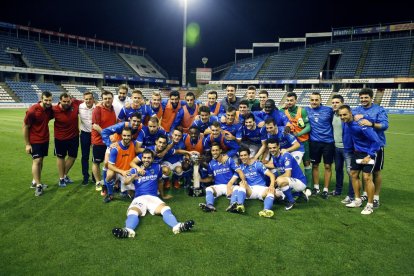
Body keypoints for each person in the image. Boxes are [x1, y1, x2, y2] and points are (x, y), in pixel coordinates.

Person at [112, 149, 195, 238]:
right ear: (142, 158)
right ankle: (128, 230)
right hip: (139, 197)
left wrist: (162, 195)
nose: (146, 160)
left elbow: (159, 181)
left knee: (165, 209)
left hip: (153, 197)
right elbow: (125, 182)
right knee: (133, 212)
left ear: (152, 159)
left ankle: (177, 226)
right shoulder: (134, 170)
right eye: (144, 158)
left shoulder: (157, 167)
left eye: (149, 158)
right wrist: (133, 176)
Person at [339, 105, 380, 215]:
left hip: (368, 153)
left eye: (345, 114)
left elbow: (376, 141)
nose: (343, 117)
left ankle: (370, 205)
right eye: (341, 115)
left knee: (367, 177)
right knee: (353, 174)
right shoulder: (346, 123)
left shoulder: (361, 124)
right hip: (356, 153)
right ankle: (357, 200)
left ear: (351, 113)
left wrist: (369, 155)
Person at [353, 88, 388, 208]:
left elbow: (385, 125)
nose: (363, 99)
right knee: (364, 173)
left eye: (366, 97)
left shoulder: (379, 109)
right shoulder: (356, 110)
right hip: (361, 147)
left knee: (376, 172)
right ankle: (365, 193)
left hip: (376, 146)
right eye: (361, 97)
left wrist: (371, 123)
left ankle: (376, 197)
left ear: (371, 98)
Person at [199, 143, 246, 212]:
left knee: (237, 188)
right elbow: (210, 178)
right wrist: (200, 180)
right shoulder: (211, 164)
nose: (215, 152)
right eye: (213, 150)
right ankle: (209, 205)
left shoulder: (229, 160)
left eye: (216, 150)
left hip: (231, 185)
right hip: (219, 186)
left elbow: (239, 171)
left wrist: (243, 181)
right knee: (208, 189)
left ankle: (233, 205)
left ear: (220, 150)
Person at [23, 91, 54, 196]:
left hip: (44, 140)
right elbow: (25, 127)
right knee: (37, 160)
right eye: (46, 100)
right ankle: (39, 185)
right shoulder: (33, 110)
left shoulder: (49, 110)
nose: (48, 102)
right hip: (35, 140)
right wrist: (27, 144)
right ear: (41, 99)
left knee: (41, 161)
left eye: (50, 100)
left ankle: (35, 181)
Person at [230, 147, 276, 218]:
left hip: (262, 189)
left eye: (245, 155)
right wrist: (228, 187)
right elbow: (233, 179)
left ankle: (266, 210)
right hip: (250, 190)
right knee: (242, 183)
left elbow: (271, 175)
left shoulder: (257, 164)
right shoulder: (240, 168)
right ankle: (240, 205)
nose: (243, 157)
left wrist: (272, 185)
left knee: (271, 191)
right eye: (241, 156)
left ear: (249, 155)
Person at [265, 139, 308, 210]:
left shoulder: (286, 156)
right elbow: (275, 165)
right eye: (270, 148)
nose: (272, 150)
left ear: (278, 146)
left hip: (300, 181)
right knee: (275, 195)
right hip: (290, 181)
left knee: (280, 181)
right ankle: (299, 194)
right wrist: (263, 165)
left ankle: (291, 201)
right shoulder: (274, 156)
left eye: (274, 147)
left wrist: (274, 183)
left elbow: (288, 174)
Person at [306, 92, 334, 199]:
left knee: (327, 166)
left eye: (316, 100)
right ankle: (316, 188)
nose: (314, 102)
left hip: (328, 142)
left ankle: (326, 189)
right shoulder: (306, 110)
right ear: (310, 101)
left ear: (320, 100)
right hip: (314, 142)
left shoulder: (328, 110)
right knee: (315, 165)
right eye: (312, 100)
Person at [53, 92, 82, 187]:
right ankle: (61, 179)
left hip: (74, 137)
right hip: (60, 138)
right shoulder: (54, 109)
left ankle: (64, 175)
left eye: (68, 101)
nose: (66, 103)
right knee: (61, 157)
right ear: (60, 101)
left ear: (71, 100)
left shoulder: (75, 103)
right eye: (64, 101)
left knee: (72, 157)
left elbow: (88, 102)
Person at [283, 92, 312, 185]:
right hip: (292, 143)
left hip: (304, 141)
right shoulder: (283, 111)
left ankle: (308, 186)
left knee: (306, 163)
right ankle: (293, 183)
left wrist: (298, 134)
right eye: (287, 100)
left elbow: (308, 127)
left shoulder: (302, 111)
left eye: (291, 100)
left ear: (296, 100)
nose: (289, 102)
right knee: (291, 164)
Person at [91, 90, 117, 191]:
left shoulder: (113, 109)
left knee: (110, 162)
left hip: (111, 141)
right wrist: (106, 135)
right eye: (105, 98)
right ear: (102, 99)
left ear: (112, 99)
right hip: (99, 140)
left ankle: (111, 180)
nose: (107, 100)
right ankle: (98, 182)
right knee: (96, 162)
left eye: (109, 98)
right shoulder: (98, 109)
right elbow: (95, 125)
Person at [331, 95, 354, 203]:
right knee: (338, 170)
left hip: (347, 148)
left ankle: (351, 195)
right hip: (336, 147)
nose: (335, 104)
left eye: (337, 102)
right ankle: (338, 190)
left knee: (351, 172)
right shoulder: (333, 115)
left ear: (342, 103)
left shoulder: (346, 116)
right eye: (333, 102)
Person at [104, 127, 136, 203]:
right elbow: (110, 165)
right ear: (121, 135)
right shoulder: (115, 148)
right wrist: (121, 171)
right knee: (109, 175)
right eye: (124, 135)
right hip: (117, 171)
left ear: (131, 136)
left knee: (132, 196)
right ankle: (110, 194)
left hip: (128, 172)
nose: (126, 138)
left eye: (128, 136)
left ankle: (123, 188)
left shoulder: (134, 144)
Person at [79, 91, 95, 185]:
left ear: (93, 99)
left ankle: (94, 176)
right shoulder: (80, 106)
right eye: (86, 99)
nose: (88, 101)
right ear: (83, 99)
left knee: (95, 157)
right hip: (84, 134)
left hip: (95, 134)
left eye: (90, 99)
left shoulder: (97, 107)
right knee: (85, 156)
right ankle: (85, 177)